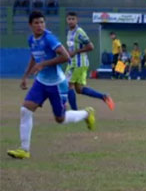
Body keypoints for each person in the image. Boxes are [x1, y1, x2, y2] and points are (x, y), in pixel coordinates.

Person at [7, 12, 96, 159]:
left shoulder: (49, 38)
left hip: (57, 84)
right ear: (30, 25)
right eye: (36, 23)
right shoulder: (31, 39)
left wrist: (43, 64)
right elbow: (34, 56)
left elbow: (66, 56)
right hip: (41, 82)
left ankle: (87, 113)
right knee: (25, 110)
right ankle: (24, 150)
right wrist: (25, 76)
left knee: (60, 119)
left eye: (42, 22)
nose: (40, 25)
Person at [63, 11, 114, 111]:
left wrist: (75, 52)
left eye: (73, 19)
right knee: (79, 89)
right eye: (69, 19)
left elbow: (91, 46)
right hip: (75, 62)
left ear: (77, 20)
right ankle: (103, 96)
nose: (71, 21)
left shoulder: (79, 32)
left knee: (68, 85)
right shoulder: (69, 32)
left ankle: (75, 112)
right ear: (66, 20)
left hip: (78, 63)